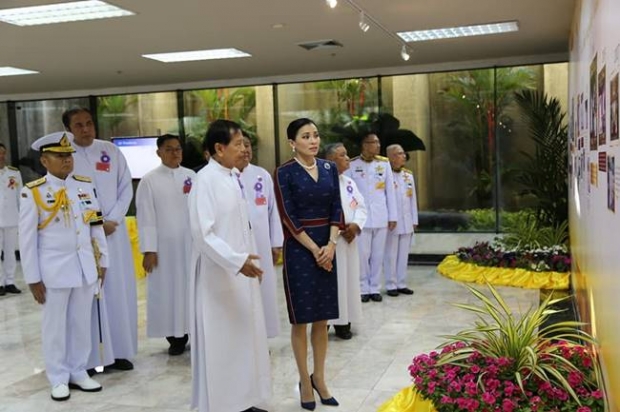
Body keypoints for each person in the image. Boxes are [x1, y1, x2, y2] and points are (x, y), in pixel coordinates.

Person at [188, 119, 270, 412]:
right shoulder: (205, 180)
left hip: (240, 272)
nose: (243, 148)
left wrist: (246, 260)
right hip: (218, 278)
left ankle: (245, 399)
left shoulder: (232, 177)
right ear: (219, 148)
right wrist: (237, 262)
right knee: (222, 343)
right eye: (237, 144)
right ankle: (224, 405)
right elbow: (203, 234)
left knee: (244, 339)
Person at [19, 132, 108, 401]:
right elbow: (27, 239)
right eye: (60, 156)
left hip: (83, 268)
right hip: (53, 272)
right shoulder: (33, 192)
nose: (67, 160)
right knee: (55, 326)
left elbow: (96, 225)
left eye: (68, 155)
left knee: (80, 323)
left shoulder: (84, 185)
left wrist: (103, 259)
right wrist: (33, 278)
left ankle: (78, 371)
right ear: (45, 160)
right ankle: (58, 376)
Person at [274, 118, 342, 410]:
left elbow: (337, 208)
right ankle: (304, 381)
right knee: (302, 319)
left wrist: (331, 245)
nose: (313, 141)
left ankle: (320, 378)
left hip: (328, 245)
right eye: (305, 136)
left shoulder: (330, 168)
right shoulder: (284, 173)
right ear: (292, 143)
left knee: (323, 319)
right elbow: (288, 217)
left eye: (315, 135)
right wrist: (316, 249)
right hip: (300, 250)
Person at [62, 108, 137, 372]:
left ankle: (120, 352)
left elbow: (125, 186)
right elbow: (68, 194)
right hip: (84, 237)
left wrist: (113, 220)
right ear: (70, 130)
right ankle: (91, 359)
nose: (86, 129)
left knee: (118, 292)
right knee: (88, 296)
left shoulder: (111, 151)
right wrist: (96, 223)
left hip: (113, 234)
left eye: (89, 123)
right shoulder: (65, 156)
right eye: (79, 125)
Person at [135, 134, 196, 355]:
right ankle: (175, 337)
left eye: (178, 149)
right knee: (169, 290)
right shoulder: (149, 180)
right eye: (169, 149)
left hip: (190, 246)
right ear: (159, 152)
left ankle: (192, 331)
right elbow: (146, 217)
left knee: (190, 288)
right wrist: (149, 249)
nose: (175, 153)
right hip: (164, 248)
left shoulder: (191, 176)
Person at [239, 133, 283, 338]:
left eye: (248, 145)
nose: (246, 149)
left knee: (263, 291)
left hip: (262, 244)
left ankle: (262, 337)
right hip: (238, 248)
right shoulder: (226, 176)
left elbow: (273, 211)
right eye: (241, 145)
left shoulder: (261, 175)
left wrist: (276, 243)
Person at [345, 133, 397, 303]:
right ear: (364, 145)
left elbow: (390, 191)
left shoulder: (384, 164)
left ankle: (374, 287)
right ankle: (362, 287)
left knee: (378, 254)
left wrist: (393, 216)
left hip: (381, 215)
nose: (377, 146)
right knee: (362, 254)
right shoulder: (352, 164)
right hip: (360, 218)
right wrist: (350, 218)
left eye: (378, 142)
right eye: (374, 143)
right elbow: (348, 193)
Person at [324, 143, 367, 340]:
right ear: (331, 161)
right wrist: (339, 227)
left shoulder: (349, 182)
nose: (348, 158)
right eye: (343, 155)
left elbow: (361, 207)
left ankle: (344, 322)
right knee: (330, 282)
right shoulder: (322, 182)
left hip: (349, 240)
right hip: (330, 240)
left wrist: (355, 225)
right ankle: (324, 322)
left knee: (348, 281)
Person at [384, 144, 418, 296]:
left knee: (404, 254)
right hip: (392, 222)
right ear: (390, 157)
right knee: (391, 254)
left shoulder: (408, 175)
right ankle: (391, 284)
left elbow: (413, 199)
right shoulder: (385, 175)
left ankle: (401, 283)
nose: (403, 156)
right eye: (399, 154)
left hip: (407, 221)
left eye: (403, 153)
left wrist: (414, 219)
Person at [0, 143, 23, 296]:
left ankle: (10, 281)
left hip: (11, 218)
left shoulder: (14, 174)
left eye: (3, 153)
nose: (1, 156)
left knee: (10, 252)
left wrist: (23, 217)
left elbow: (20, 197)